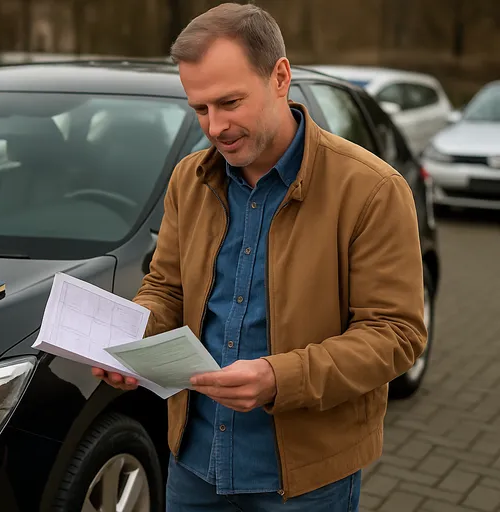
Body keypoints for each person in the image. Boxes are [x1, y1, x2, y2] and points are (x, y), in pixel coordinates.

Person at [92, 2, 427, 511]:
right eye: (200, 109)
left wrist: (278, 379)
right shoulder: (189, 178)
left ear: (280, 77)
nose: (215, 126)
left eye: (230, 102)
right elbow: (166, 286)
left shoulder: (372, 189)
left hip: (305, 482)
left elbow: (396, 335)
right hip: (193, 463)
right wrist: (135, 338)